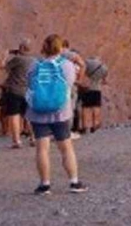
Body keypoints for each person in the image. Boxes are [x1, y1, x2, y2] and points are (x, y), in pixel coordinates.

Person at [27, 34, 86, 195]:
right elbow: (71, 83)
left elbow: (29, 83)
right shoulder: (66, 65)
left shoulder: (35, 64)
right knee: (66, 148)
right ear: (60, 48)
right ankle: (74, 182)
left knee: (42, 149)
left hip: (38, 112)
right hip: (61, 112)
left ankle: (44, 185)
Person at [0, 41, 33, 148]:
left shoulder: (17, 59)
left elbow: (2, 67)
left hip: (15, 91)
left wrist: (5, 55)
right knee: (29, 116)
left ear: (21, 47)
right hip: (28, 91)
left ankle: (17, 141)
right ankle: (33, 138)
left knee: (14, 115)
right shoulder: (33, 60)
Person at [77, 53, 108, 133]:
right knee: (96, 107)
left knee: (85, 107)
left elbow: (81, 72)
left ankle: (85, 126)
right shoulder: (104, 67)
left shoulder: (86, 62)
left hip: (86, 88)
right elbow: (104, 81)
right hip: (97, 89)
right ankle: (95, 125)